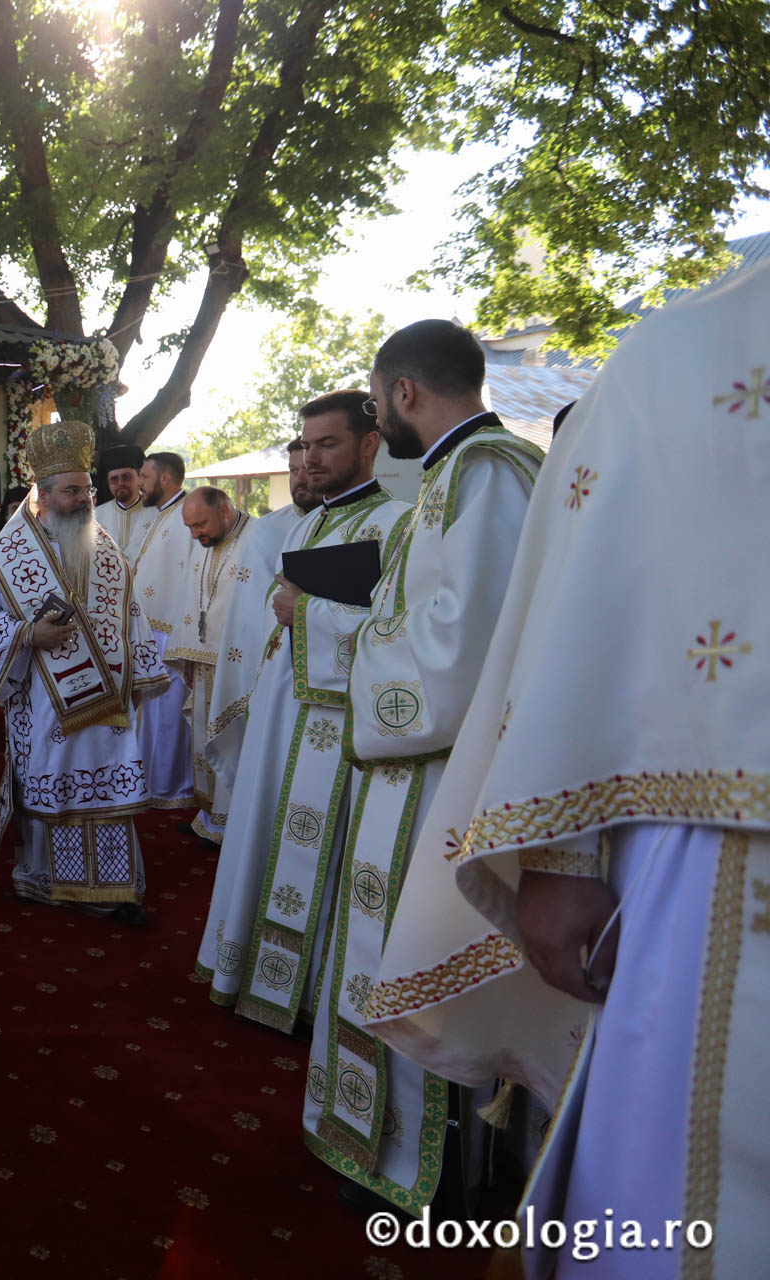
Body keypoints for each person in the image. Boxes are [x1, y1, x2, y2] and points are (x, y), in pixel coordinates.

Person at [367, 263, 768, 1276]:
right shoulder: (695, 343)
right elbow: (586, 625)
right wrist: (562, 851)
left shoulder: (489, 471)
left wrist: (350, 650)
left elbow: (494, 642)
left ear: (401, 393)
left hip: (699, 837)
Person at [274, 321, 542, 1213]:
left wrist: (322, 623)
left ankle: (423, 1159)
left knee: (420, 950)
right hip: (416, 767)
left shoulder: (484, 474)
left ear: (403, 393)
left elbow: (462, 647)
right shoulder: (454, 474)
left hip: (440, 772)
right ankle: (379, 1135)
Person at [193, 393, 405, 1023]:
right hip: (285, 715)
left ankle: (310, 994)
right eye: (306, 446)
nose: (310, 459)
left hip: (344, 726)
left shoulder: (399, 525)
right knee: (268, 837)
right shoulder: (304, 526)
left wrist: (307, 612)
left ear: (370, 444)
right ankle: (257, 974)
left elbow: (402, 634)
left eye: (327, 444)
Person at [0, 421, 171, 920]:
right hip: (43, 697)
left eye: (87, 490)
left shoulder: (105, 547)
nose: (83, 500)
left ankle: (114, 888)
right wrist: (27, 635)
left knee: (105, 780)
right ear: (44, 494)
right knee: (52, 781)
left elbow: (129, 612)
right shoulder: (11, 552)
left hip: (107, 702)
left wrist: (138, 676)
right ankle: (46, 879)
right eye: (71, 491)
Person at [197, 437, 319, 837]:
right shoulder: (268, 529)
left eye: (307, 469)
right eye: (293, 470)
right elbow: (249, 611)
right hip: (270, 670)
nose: (300, 478)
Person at [167, 485, 259, 845]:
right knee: (205, 741)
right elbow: (191, 595)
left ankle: (231, 825)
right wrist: (188, 654)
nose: (195, 534)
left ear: (224, 510)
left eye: (199, 525)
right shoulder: (204, 543)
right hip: (204, 663)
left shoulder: (258, 539)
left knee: (232, 741)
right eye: (189, 527)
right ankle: (209, 818)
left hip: (239, 667)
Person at [126, 450, 196, 811]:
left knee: (168, 716)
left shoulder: (187, 516)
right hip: (151, 632)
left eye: (144, 476)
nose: (139, 483)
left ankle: (171, 788)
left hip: (172, 633)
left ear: (164, 478)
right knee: (151, 716)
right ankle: (151, 782)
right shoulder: (162, 514)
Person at [91, 443, 146, 556]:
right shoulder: (96, 517)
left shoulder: (157, 513)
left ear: (140, 477)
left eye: (126, 477)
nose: (120, 483)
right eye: (114, 479)